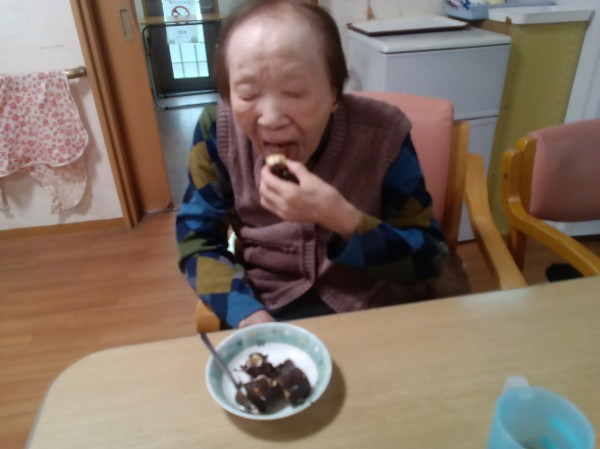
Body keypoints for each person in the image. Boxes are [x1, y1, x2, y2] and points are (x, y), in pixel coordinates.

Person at [176, 0, 468, 329]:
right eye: (246, 93)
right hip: (268, 307)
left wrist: (342, 218)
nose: (270, 119)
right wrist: (246, 314)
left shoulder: (384, 134)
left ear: (334, 92)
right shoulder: (217, 132)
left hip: (375, 307)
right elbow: (197, 243)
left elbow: (429, 257)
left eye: (294, 92)